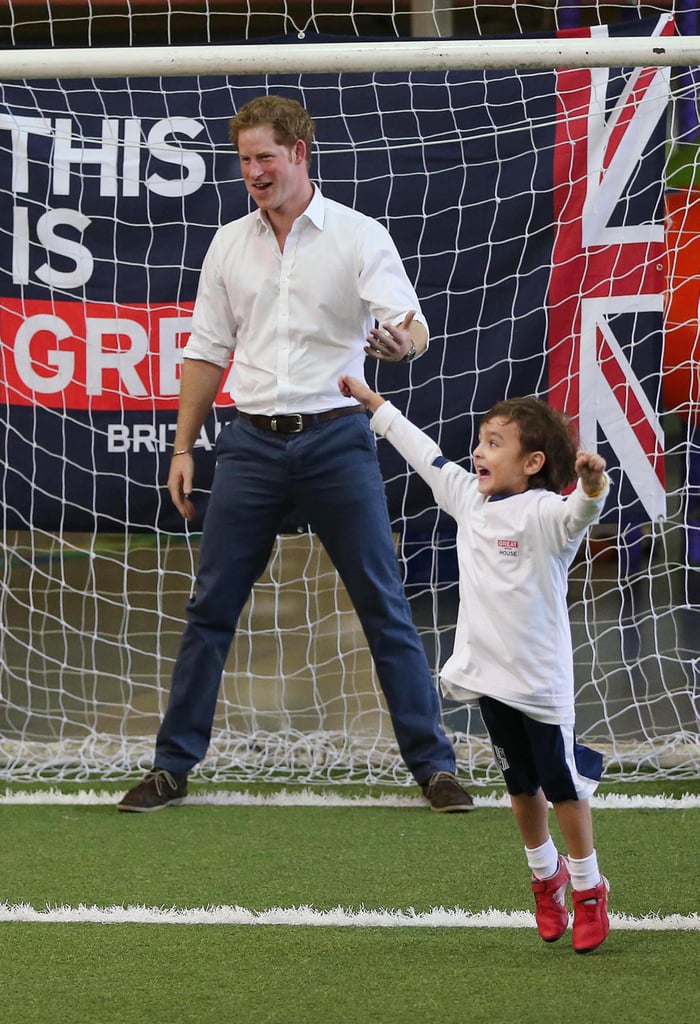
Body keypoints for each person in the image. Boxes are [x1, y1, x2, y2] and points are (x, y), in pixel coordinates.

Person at [118, 95, 473, 815]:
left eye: (266, 158)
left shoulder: (356, 235)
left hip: (338, 439)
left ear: (301, 153)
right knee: (210, 607)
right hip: (248, 443)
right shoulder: (228, 244)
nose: (254, 172)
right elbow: (206, 351)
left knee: (384, 605)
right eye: (245, 160)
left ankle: (434, 768)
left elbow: (411, 326)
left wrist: (403, 343)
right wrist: (184, 447)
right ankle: (171, 768)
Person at [337, 375, 611, 954]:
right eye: (480, 441)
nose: (478, 452)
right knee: (519, 786)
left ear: (533, 461)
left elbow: (579, 514)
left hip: (540, 685)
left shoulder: (545, 515)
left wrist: (592, 486)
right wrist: (374, 405)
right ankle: (546, 879)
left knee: (562, 787)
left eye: (493, 443)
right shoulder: (468, 498)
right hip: (489, 679)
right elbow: (423, 453)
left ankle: (588, 887)